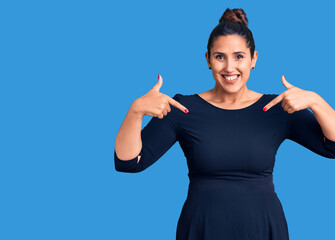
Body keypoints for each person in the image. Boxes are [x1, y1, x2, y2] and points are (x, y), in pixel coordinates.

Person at [114, 7, 335, 240]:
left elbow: (332, 147)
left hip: (264, 229)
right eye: (220, 57)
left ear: (253, 59)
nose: (230, 68)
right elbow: (129, 163)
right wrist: (135, 111)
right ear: (208, 60)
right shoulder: (182, 109)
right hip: (201, 230)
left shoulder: (278, 108)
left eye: (239, 56)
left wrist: (316, 101)